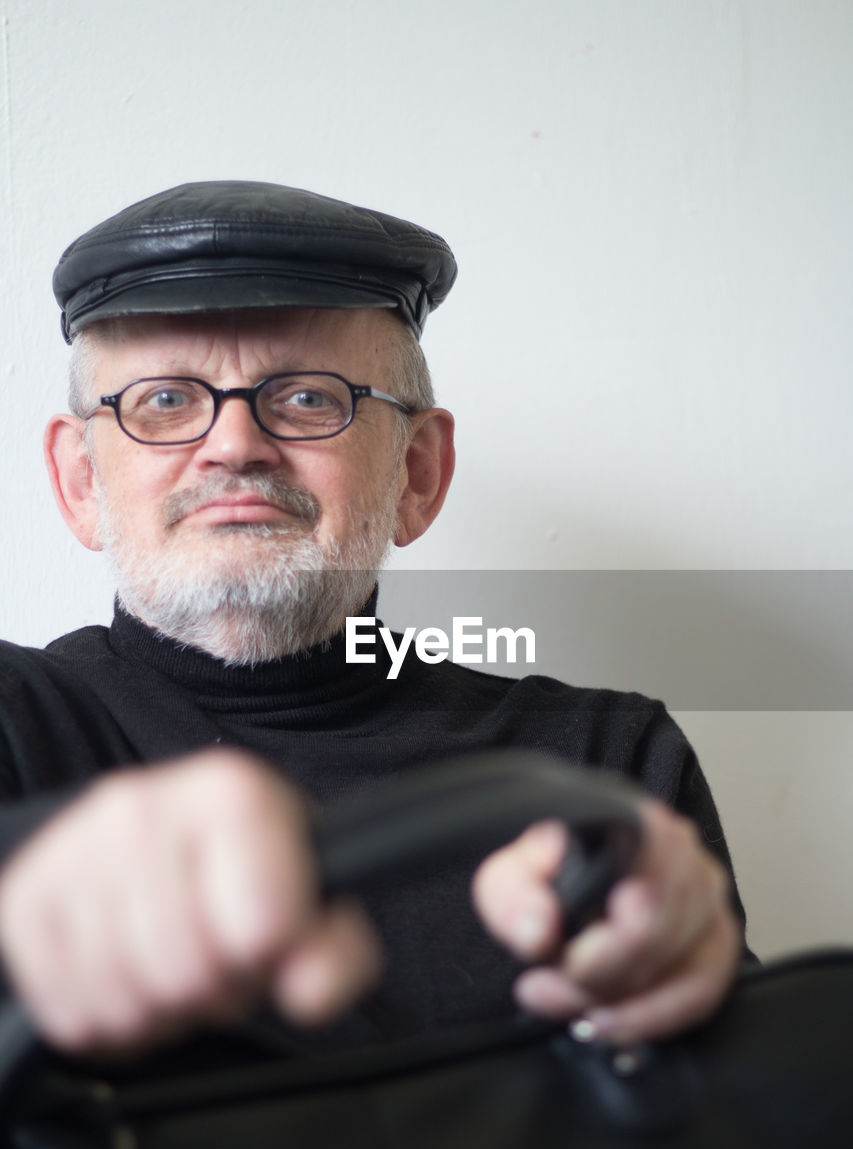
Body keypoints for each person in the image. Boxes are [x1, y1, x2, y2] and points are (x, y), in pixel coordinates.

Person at [0, 181, 743, 1065]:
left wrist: (662, 993)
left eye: (310, 398)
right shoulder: (13, 722)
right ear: (82, 482)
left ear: (416, 474)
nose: (234, 445)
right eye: (164, 401)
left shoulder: (600, 766)